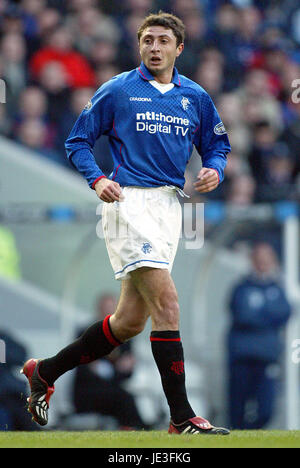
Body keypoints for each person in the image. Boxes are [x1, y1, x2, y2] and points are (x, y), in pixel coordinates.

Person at [21, 11, 231, 435]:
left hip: (171, 208)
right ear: (139, 46)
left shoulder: (195, 97)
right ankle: (181, 416)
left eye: (162, 41)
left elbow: (217, 144)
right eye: (147, 40)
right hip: (126, 203)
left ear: (179, 48)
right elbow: (77, 139)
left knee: (129, 323)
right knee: (168, 304)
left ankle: (43, 372)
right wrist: (97, 179)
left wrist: (215, 169)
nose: (154, 47)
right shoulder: (118, 89)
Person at [227, 242, 292, 429]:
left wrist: (258, 315)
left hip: (267, 356)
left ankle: (252, 431)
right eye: (259, 259)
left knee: (266, 408)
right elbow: (242, 314)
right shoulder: (241, 288)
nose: (263, 263)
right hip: (242, 356)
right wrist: (267, 317)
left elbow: (285, 312)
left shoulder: (277, 289)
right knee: (237, 405)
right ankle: (240, 436)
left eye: (267, 259)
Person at [73, 294, 150, 430]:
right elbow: (87, 371)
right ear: (98, 310)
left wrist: (113, 370)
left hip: (113, 390)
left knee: (124, 396)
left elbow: (127, 373)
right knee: (123, 398)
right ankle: (140, 428)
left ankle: (136, 428)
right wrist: (116, 369)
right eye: (105, 309)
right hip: (88, 392)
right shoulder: (85, 334)